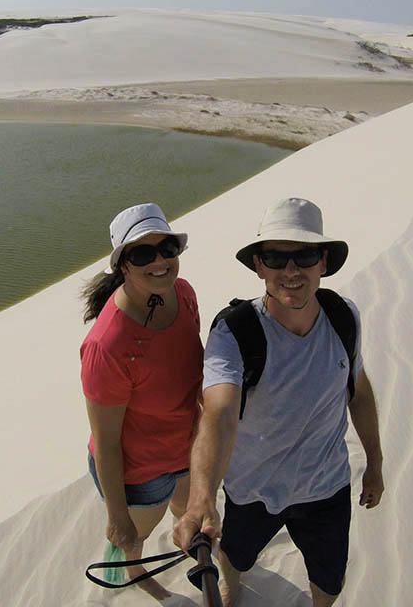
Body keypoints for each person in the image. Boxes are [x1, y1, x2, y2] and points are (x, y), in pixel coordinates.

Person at [173, 197, 385, 607]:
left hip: (327, 489)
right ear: (259, 266)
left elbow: (357, 390)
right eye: (275, 257)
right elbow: (218, 414)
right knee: (235, 557)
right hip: (252, 491)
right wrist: (201, 499)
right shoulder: (234, 333)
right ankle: (232, 592)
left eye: (304, 255)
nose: (291, 271)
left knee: (329, 579)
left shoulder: (344, 317)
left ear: (323, 262)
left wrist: (374, 464)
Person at [81, 203, 204, 599]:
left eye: (166, 248)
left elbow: (194, 367)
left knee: (190, 512)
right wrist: (118, 516)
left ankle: (189, 544)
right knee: (135, 537)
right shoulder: (109, 344)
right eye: (141, 254)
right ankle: (137, 576)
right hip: (140, 471)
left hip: (186, 446)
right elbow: (106, 441)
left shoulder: (183, 295)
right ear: (122, 266)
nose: (159, 262)